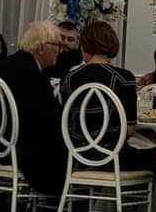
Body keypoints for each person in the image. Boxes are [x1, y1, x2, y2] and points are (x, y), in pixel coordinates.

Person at [0, 21, 67, 195]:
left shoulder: (9, 63)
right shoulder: (31, 74)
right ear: (41, 48)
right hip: (19, 151)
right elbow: (48, 118)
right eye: (58, 45)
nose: (61, 51)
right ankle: (64, 206)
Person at [58, 20, 141, 161]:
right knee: (152, 155)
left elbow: (66, 122)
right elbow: (130, 129)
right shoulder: (125, 78)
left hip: (76, 155)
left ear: (84, 46)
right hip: (114, 156)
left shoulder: (68, 78)